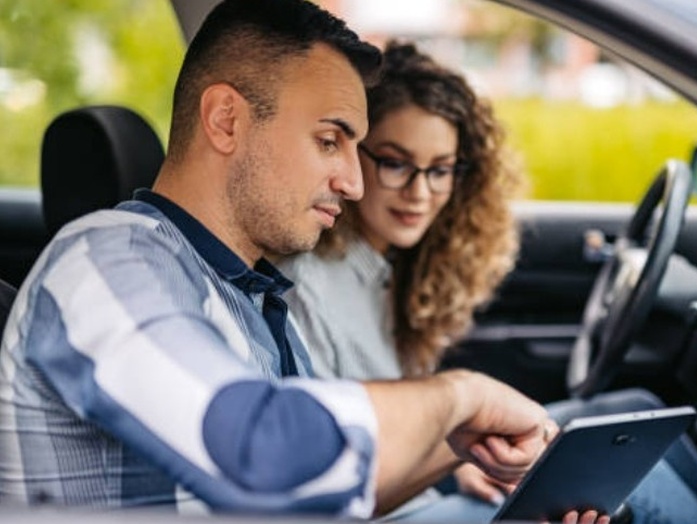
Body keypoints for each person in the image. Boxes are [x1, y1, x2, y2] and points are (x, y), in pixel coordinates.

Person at [0, 2, 606, 523]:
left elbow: (322, 495)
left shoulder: (253, 295)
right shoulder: (107, 261)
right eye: (328, 140)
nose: (353, 183)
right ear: (226, 120)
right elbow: (259, 456)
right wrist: (459, 397)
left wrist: (463, 447)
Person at [278, 41, 697, 524]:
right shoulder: (312, 287)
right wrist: (452, 461)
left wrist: (454, 467)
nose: (420, 193)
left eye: (440, 170)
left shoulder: (385, 269)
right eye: (396, 163)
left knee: (638, 410)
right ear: (355, 156)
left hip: (422, 491)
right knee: (638, 480)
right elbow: (334, 473)